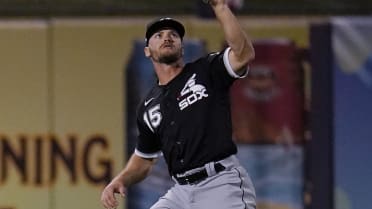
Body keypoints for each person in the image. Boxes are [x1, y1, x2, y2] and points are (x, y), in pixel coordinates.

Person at [100, 0, 256, 208]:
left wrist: (220, 7)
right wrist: (120, 179)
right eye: (159, 35)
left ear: (182, 48)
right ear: (147, 51)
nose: (167, 37)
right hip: (182, 191)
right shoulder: (148, 106)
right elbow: (144, 159)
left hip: (220, 182)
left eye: (173, 35)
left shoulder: (205, 71)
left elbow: (243, 54)